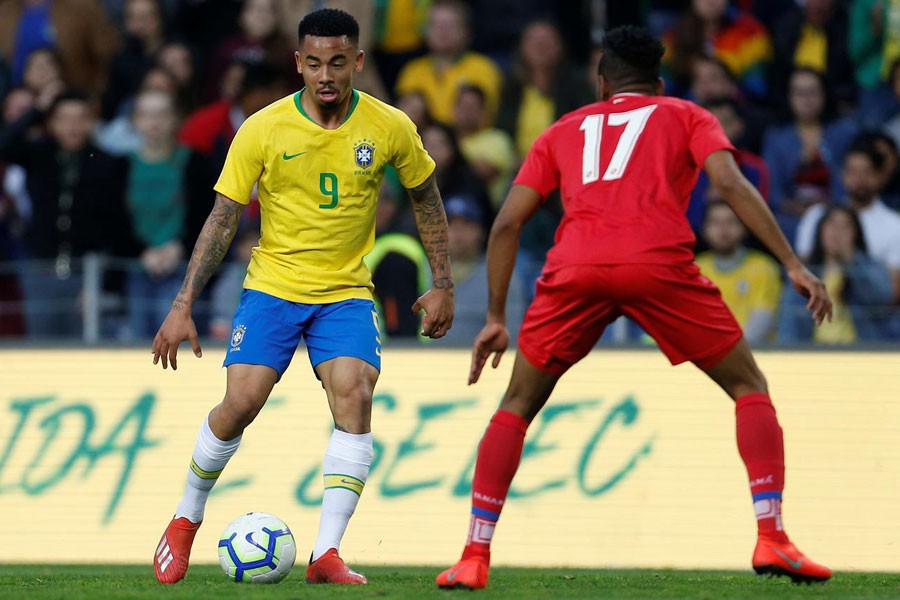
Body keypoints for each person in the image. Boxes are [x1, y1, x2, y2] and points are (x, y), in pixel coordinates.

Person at [435, 25, 833, 591]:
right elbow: (732, 185)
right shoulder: (688, 115)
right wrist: (792, 263)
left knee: (517, 405)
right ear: (660, 82)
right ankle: (772, 536)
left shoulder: (561, 130)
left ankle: (474, 554)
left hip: (576, 267)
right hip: (657, 263)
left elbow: (506, 223)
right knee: (749, 386)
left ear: (601, 84)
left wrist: (497, 317)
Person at [150, 8, 454, 586]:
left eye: (338, 62)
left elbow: (426, 197)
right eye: (313, 63)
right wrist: (184, 302)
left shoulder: (389, 126)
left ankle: (326, 554)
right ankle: (186, 516)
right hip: (272, 287)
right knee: (241, 401)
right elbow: (222, 218)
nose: (326, 75)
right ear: (298, 64)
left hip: (345, 291)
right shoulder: (263, 128)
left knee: (355, 392)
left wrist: (442, 283)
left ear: (357, 62)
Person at [778, 205, 894, 344]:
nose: (837, 232)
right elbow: (789, 321)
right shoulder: (805, 274)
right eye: (831, 224)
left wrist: (852, 259)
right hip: (812, 354)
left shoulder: (869, 268)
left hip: (861, 353)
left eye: (845, 226)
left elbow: (883, 297)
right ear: (820, 230)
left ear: (856, 233)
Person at [394, 0, 502, 126]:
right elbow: (403, 119)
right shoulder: (412, 70)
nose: (442, 31)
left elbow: (480, 118)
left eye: (450, 25)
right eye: (435, 24)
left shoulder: (483, 68)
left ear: (466, 31)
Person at [696, 201, 782, 344]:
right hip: (704, 354)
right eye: (715, 222)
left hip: (753, 354)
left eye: (731, 222)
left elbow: (761, 325)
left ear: (744, 227)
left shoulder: (764, 267)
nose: (723, 230)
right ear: (704, 229)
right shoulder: (695, 268)